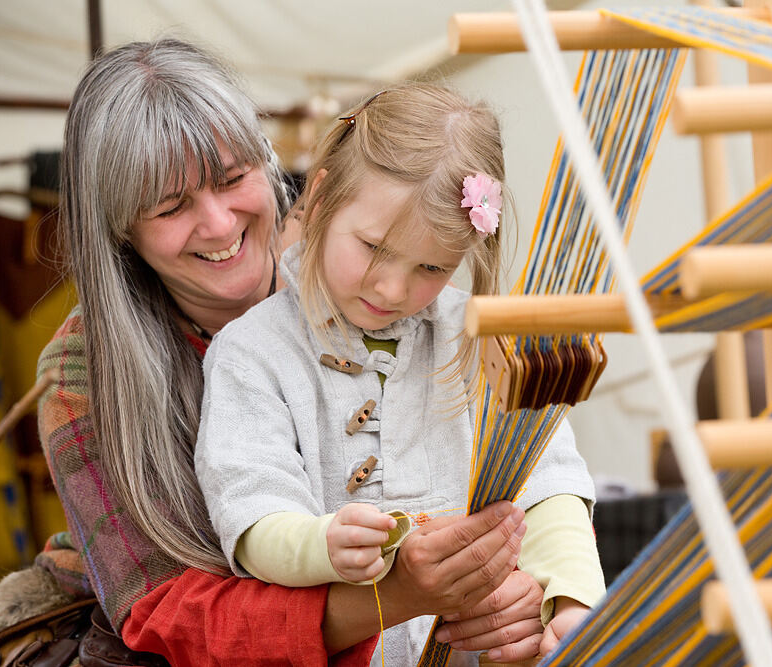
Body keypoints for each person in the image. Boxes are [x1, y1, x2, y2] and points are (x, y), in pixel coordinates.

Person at [30, 38, 557, 666]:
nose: (221, 225)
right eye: (171, 207)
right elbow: (168, 616)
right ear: (120, 229)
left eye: (233, 180)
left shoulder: (380, 291)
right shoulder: (83, 370)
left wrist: (527, 594)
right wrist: (397, 596)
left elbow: (527, 480)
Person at [194, 83, 606, 665]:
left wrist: (571, 599)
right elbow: (251, 507)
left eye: (431, 266)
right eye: (374, 248)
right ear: (320, 196)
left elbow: (548, 482)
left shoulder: (482, 336)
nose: (393, 288)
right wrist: (322, 545)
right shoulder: (252, 353)